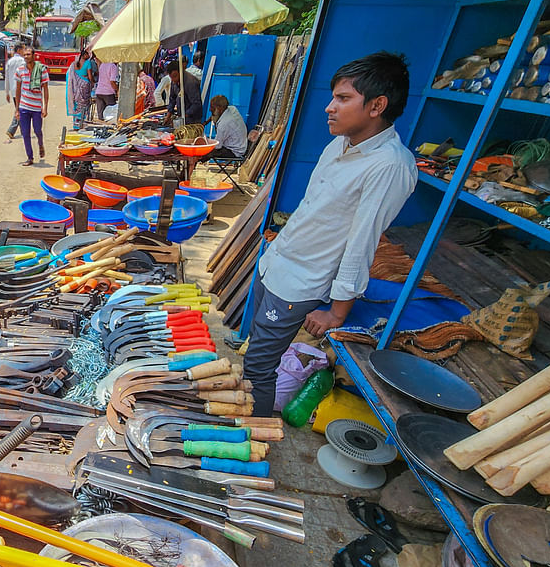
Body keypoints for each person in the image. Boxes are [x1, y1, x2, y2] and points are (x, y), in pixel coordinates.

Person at [244, 51, 417, 416]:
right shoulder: (340, 144)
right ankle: (250, 411)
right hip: (277, 266)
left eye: (343, 99)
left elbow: (362, 242)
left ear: (377, 105)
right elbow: (314, 210)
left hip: (299, 283)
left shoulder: (389, 165)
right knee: (255, 352)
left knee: (257, 368)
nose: (329, 107)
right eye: (333, 97)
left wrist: (337, 313)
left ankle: (250, 436)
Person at [14, 46, 49, 166]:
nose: (26, 57)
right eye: (24, 55)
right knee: (25, 133)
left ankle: (40, 144)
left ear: (33, 56)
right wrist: (16, 109)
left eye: (28, 54)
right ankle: (30, 157)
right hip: (24, 107)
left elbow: (45, 89)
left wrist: (45, 107)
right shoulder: (20, 70)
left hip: (36, 107)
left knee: (38, 130)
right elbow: (17, 90)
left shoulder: (41, 70)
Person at [167, 60, 203, 131]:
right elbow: (172, 98)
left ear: (181, 71)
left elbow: (196, 104)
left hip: (193, 120)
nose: (173, 80)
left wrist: (184, 116)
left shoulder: (191, 82)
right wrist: (168, 115)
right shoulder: (174, 82)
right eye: (171, 77)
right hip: (182, 117)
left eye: (175, 76)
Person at [66, 49, 96, 128]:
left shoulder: (75, 64)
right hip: (85, 86)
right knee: (84, 105)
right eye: (88, 54)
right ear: (84, 55)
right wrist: (93, 82)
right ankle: (82, 124)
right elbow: (90, 76)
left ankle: (76, 125)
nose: (89, 56)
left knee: (77, 104)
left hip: (75, 87)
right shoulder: (88, 63)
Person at [4, 42, 27, 142]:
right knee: (20, 110)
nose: (25, 51)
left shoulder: (10, 62)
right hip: (22, 89)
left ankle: (24, 131)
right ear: (19, 50)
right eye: (23, 49)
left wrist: (7, 92)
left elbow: (7, 78)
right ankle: (11, 129)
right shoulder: (23, 61)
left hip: (13, 91)